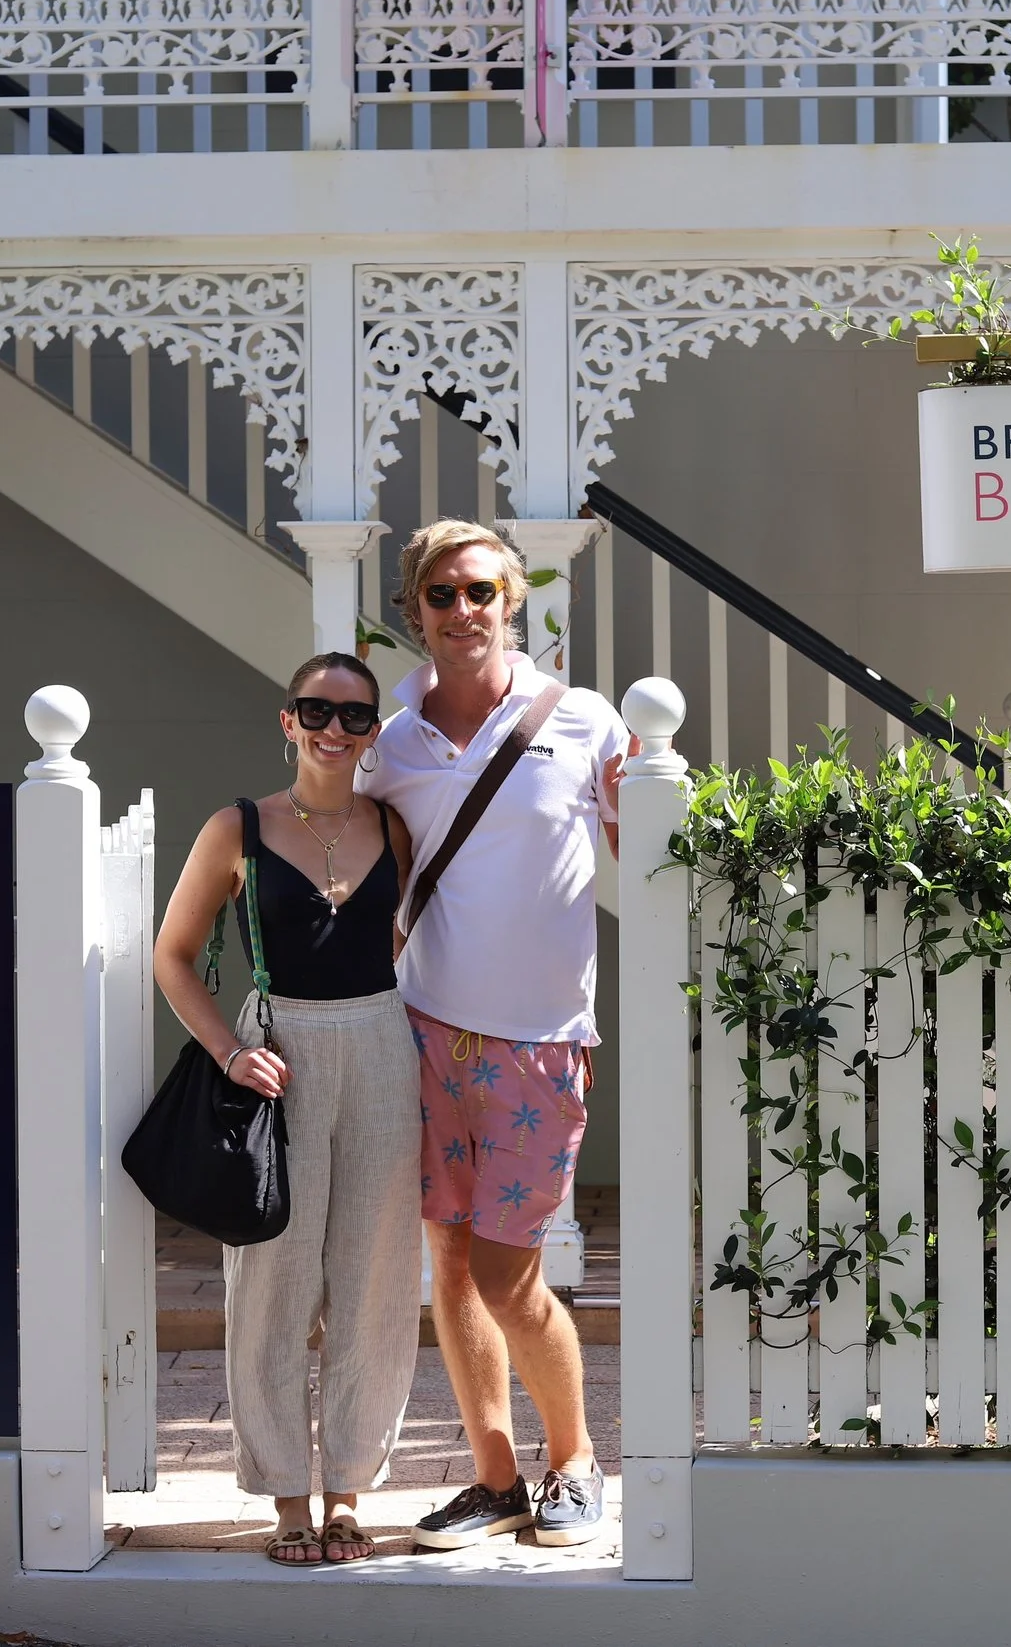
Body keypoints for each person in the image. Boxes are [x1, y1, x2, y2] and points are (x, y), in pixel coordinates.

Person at [359, 519, 629, 1552]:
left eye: (480, 591)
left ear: (512, 598)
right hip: (424, 1031)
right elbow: (352, 853)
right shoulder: (391, 743)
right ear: (414, 609)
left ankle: (575, 1459)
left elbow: (640, 848)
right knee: (454, 1266)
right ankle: (494, 1477)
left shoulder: (584, 719)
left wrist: (642, 793)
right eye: (440, 594)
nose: (461, 610)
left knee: (513, 1272)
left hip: (541, 1040)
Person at [153, 651, 421, 1568]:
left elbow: (395, 944)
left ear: (372, 733)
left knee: (377, 1276)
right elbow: (173, 956)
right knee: (270, 1277)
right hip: (279, 1053)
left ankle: (349, 1491)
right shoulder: (239, 827)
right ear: (287, 719)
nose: (334, 730)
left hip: (383, 1049)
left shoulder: (393, 826)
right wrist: (232, 1049)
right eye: (317, 711)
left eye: (353, 718)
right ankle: (286, 1500)